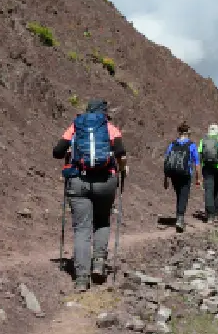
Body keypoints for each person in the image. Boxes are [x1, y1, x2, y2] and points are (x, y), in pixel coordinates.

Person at [52, 99, 128, 292]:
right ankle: (99, 264)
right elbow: (120, 152)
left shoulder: (76, 127)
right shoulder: (111, 128)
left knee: (82, 229)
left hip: (78, 182)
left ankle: (81, 278)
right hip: (106, 182)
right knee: (102, 222)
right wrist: (122, 170)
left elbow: (57, 152)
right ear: (104, 113)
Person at [162, 122, 200, 232]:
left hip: (173, 173)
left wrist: (166, 178)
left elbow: (167, 161)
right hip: (185, 174)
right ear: (188, 133)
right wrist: (198, 178)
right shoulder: (191, 145)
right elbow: (197, 163)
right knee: (183, 195)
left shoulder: (173, 144)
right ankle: (180, 218)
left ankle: (179, 214)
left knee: (179, 194)